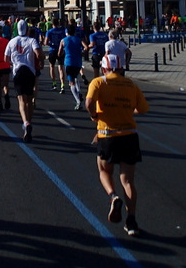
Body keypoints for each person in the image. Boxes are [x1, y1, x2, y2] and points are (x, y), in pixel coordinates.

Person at [85, 52, 149, 237]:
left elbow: (89, 102)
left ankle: (113, 197)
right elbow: (143, 109)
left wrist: (94, 116)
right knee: (128, 180)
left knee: (104, 171)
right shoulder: (131, 84)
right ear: (121, 68)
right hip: (129, 135)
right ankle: (131, 220)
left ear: (104, 68)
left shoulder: (99, 82)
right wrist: (127, 110)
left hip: (107, 135)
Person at [4, 20, 44, 143]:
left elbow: (6, 58)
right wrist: (41, 61)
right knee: (29, 99)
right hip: (30, 71)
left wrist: (14, 61)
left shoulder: (12, 41)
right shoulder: (32, 40)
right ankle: (29, 122)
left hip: (18, 71)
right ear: (26, 29)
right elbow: (39, 53)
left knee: (21, 100)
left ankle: (25, 123)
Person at [59, 23, 89, 110]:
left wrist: (62, 54)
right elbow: (86, 47)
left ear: (67, 32)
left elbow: (59, 52)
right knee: (76, 77)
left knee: (71, 82)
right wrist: (82, 52)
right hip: (78, 62)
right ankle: (79, 92)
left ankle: (78, 101)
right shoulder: (79, 39)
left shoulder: (63, 40)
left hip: (68, 62)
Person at [44, 18, 67, 94]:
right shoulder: (62, 31)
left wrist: (51, 44)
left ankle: (54, 83)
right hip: (60, 49)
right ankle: (62, 84)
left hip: (53, 50)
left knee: (52, 66)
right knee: (61, 67)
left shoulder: (49, 31)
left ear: (52, 24)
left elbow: (46, 42)